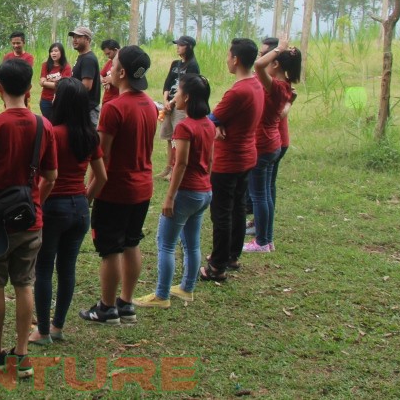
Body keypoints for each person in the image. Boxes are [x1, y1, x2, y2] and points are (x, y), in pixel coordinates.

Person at [0, 59, 58, 378]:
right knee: (25, 284)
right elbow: (51, 175)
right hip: (30, 220)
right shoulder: (42, 125)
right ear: (31, 88)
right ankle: (21, 356)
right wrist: (37, 203)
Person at [80, 45, 156, 325]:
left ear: (122, 72)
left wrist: (89, 193)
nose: (109, 68)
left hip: (115, 191)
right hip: (142, 188)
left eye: (113, 65)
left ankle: (106, 308)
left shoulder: (113, 109)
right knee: (131, 242)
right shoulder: (149, 104)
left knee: (110, 249)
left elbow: (101, 156)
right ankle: (126, 302)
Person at [30, 79, 105, 345]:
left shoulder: (51, 132)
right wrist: (86, 198)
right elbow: (101, 176)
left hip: (53, 207)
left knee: (44, 267)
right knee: (67, 268)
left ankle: (42, 331)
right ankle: (58, 326)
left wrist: (37, 203)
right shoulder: (89, 134)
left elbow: (45, 175)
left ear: (58, 101)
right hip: (79, 209)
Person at [134, 74, 214, 308]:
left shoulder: (185, 127)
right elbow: (209, 160)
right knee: (192, 242)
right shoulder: (208, 123)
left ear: (187, 97)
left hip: (187, 193)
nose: (174, 95)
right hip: (204, 192)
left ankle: (161, 295)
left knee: (166, 243)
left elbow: (180, 164)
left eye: (177, 92)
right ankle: (186, 288)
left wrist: (170, 197)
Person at [200, 38, 264, 282]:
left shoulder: (238, 91)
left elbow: (210, 119)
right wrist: (219, 125)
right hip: (246, 156)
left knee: (222, 213)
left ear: (236, 59)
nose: (227, 59)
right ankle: (231, 255)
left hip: (229, 160)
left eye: (228, 55)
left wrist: (216, 126)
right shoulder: (255, 85)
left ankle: (217, 266)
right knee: (237, 209)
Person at [244, 39, 302, 253]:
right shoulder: (285, 86)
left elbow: (258, 65)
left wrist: (279, 48)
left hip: (262, 144)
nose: (265, 60)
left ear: (276, 64)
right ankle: (266, 239)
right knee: (265, 193)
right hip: (272, 143)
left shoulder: (275, 85)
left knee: (260, 195)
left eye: (271, 59)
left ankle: (261, 242)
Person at [159, 36, 201, 180]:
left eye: (181, 45)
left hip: (180, 106)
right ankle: (168, 167)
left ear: (188, 47)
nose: (177, 47)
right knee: (169, 137)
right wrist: (165, 100)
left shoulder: (193, 65)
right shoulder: (175, 64)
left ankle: (175, 168)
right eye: (177, 44)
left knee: (178, 137)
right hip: (169, 104)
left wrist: (172, 103)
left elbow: (188, 89)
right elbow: (167, 83)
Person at [69, 26, 102, 126]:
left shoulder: (88, 59)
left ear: (87, 39)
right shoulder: (83, 57)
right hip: (81, 108)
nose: (74, 40)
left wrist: (66, 91)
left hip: (87, 110)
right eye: (73, 37)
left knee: (86, 140)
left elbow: (86, 86)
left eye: (78, 37)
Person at [39, 42, 72, 123]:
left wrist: (46, 82)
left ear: (61, 52)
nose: (53, 53)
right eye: (51, 51)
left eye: (56, 51)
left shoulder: (66, 67)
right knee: (47, 123)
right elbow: (41, 81)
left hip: (60, 100)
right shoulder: (45, 65)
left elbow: (63, 85)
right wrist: (56, 82)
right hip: (45, 100)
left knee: (58, 123)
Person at [99, 39, 121, 105]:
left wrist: (111, 80)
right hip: (107, 100)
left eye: (109, 53)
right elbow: (99, 75)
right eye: (106, 55)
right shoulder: (109, 62)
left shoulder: (124, 63)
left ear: (116, 50)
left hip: (118, 101)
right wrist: (104, 81)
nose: (108, 56)